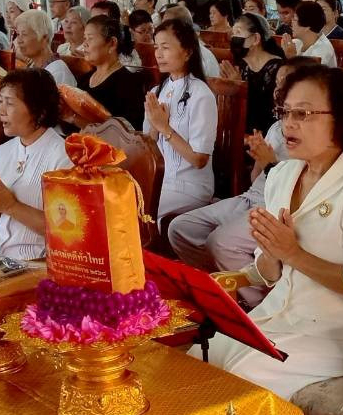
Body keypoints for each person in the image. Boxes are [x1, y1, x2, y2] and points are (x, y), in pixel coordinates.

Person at [205, 64, 343, 399]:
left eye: (304, 113)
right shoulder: (282, 175)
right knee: (204, 354)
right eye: (285, 112)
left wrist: (293, 253)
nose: (289, 123)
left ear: (340, 119)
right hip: (285, 314)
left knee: (242, 379)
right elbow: (269, 273)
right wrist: (271, 253)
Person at [169, 57, 315, 279]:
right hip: (251, 197)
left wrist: (272, 164)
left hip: (277, 206)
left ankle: (251, 299)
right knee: (181, 228)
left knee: (219, 242)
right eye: (277, 82)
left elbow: (301, 188)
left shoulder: (312, 132)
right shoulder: (277, 126)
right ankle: (218, 279)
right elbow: (256, 177)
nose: (278, 88)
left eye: (286, 81)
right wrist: (260, 159)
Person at [0, 68, 72, 261]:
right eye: (0, 101)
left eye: (9, 103)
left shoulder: (63, 158)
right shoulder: (3, 151)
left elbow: (66, 231)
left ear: (39, 111)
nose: (0, 110)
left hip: (34, 263)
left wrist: (10, 206)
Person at [144, 16, 217, 216]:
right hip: (160, 179)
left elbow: (199, 159)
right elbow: (147, 148)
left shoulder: (201, 94)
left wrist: (165, 128)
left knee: (139, 213)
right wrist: (154, 127)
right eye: (156, 47)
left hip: (189, 186)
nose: (158, 54)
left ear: (187, 52)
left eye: (165, 47)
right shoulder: (157, 91)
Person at [217, 11, 284, 132]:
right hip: (242, 129)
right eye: (233, 33)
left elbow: (271, 111)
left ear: (256, 39)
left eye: (238, 32)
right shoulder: (240, 65)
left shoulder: (278, 67)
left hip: (269, 133)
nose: (233, 38)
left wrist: (241, 87)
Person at [79, 15, 145, 130]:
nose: (84, 44)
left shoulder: (128, 83)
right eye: (84, 38)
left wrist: (78, 121)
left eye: (90, 38)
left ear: (112, 43)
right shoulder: (84, 79)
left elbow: (131, 130)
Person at [12, 9, 77, 88]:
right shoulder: (33, 66)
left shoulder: (58, 72)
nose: (19, 41)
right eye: (18, 34)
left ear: (44, 38)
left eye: (24, 34)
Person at [283, 0, 336, 66]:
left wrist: (292, 57)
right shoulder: (296, 43)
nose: (291, 23)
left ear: (307, 25)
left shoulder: (323, 50)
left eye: (295, 19)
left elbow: (308, 75)